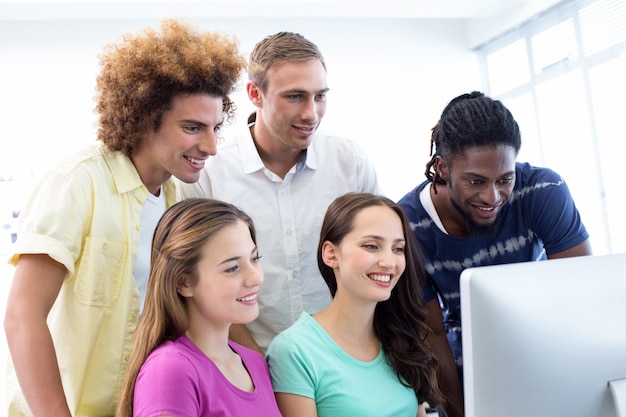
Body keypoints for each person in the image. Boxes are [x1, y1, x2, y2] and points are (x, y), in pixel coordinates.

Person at [4, 19, 246, 417]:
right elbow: (22, 316)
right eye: (193, 127)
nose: (212, 146)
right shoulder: (77, 183)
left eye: (216, 127)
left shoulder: (181, 197)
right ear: (144, 118)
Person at [179, 31, 381, 353]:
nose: (311, 113)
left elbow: (380, 260)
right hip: (249, 362)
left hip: (344, 357)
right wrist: (255, 366)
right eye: (295, 96)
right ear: (255, 94)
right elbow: (193, 284)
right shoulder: (209, 172)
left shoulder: (350, 162)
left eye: (320, 96)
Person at [397, 91, 592, 416]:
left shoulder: (542, 190)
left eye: (505, 179)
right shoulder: (407, 224)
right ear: (443, 168)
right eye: (475, 181)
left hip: (547, 338)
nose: (493, 196)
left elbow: (580, 295)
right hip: (467, 360)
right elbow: (432, 334)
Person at [266, 192, 444, 417]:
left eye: (398, 249)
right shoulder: (294, 351)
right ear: (331, 254)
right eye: (371, 246)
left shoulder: (400, 338)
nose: (389, 262)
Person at [116, 198, 282, 417]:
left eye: (255, 258)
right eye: (232, 268)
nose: (256, 277)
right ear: (184, 282)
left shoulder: (254, 363)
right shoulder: (170, 371)